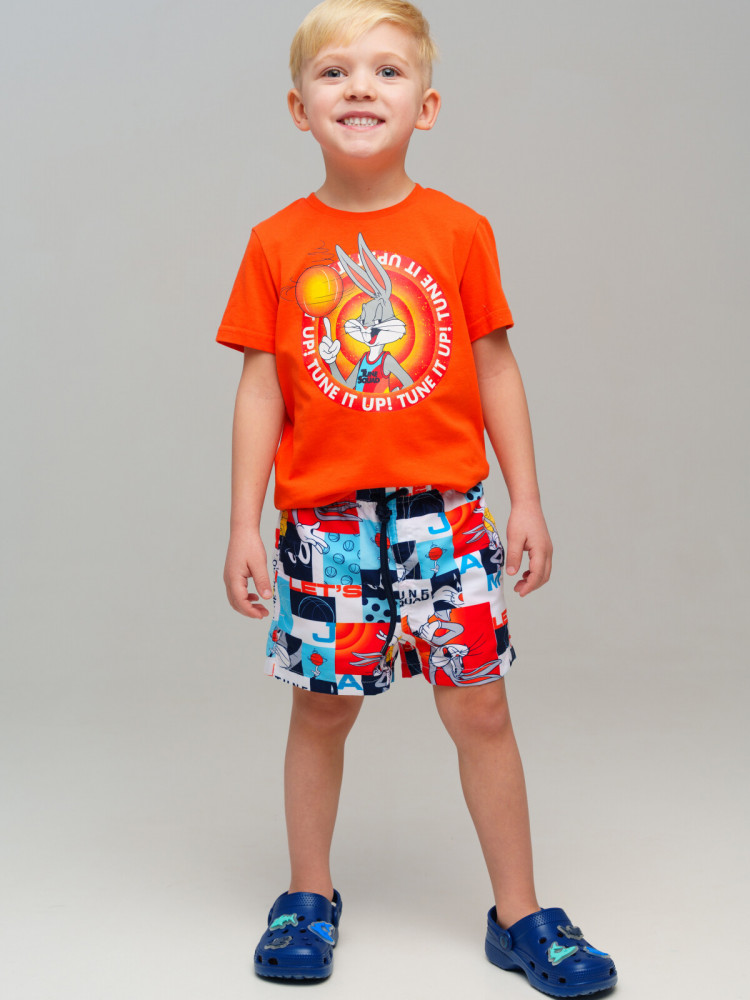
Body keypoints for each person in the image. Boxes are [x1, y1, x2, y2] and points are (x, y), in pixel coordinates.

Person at [216, 1, 617, 994]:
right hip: (326, 526)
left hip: (446, 518)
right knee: (321, 711)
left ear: (426, 106)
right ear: (299, 108)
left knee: (481, 710)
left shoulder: (459, 230)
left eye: (387, 71)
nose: (360, 87)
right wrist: (242, 522)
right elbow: (261, 388)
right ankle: (307, 896)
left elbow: (496, 367)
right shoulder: (275, 243)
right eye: (335, 72)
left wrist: (527, 497)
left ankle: (520, 912)